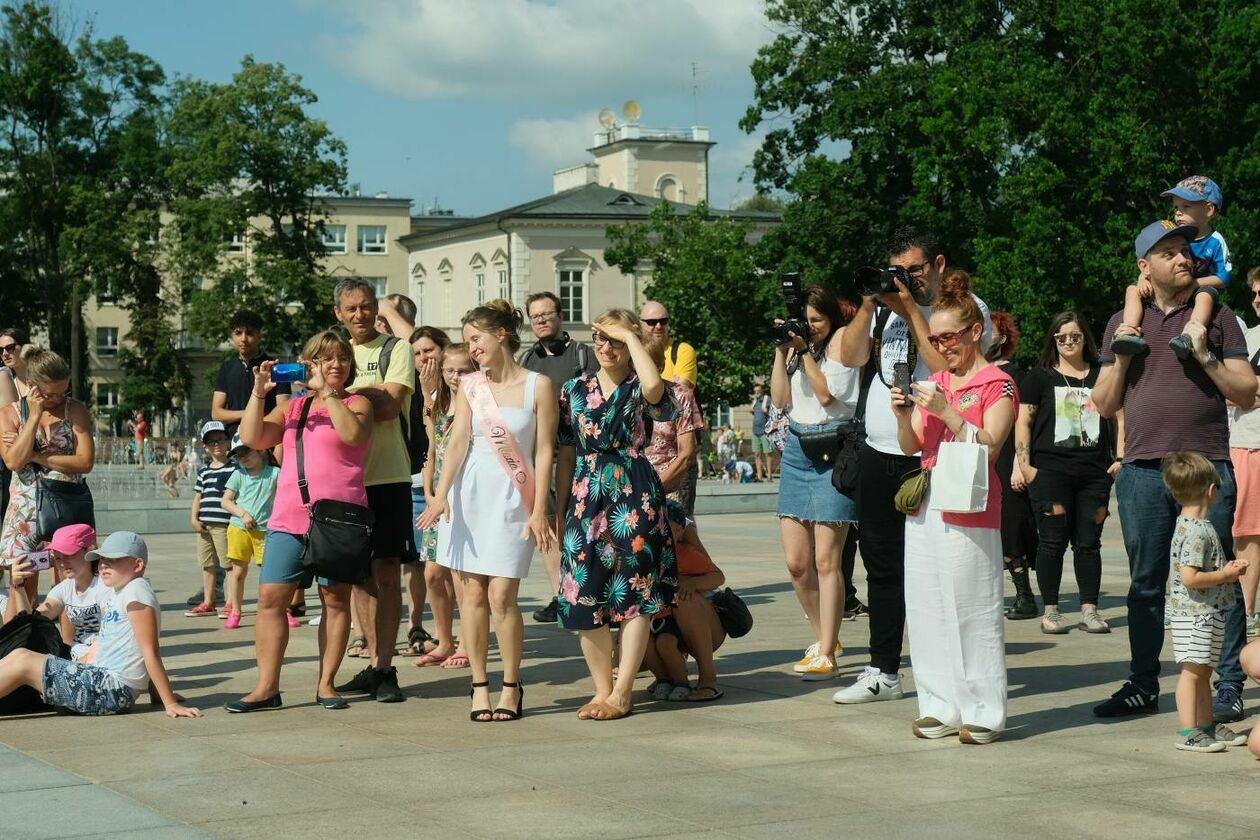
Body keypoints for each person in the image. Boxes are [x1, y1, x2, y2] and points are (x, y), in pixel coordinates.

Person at [1090, 220, 1255, 720]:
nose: (1182, 259)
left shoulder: (1218, 317)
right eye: (1169, 253)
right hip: (1142, 469)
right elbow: (1102, 403)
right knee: (1144, 582)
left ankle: (1228, 686)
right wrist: (1121, 357)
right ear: (1145, 267)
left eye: (1185, 251)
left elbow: (1246, 391)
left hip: (1207, 469)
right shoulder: (1124, 319)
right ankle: (1143, 683)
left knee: (1219, 577)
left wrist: (1203, 355)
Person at [833, 225, 993, 706]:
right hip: (881, 450)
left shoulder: (965, 312)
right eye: (896, 271)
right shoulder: (886, 313)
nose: (906, 281)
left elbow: (943, 367)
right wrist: (869, 302)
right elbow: (849, 355)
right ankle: (883, 669)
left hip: (934, 458)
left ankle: (949, 672)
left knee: (941, 570)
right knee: (881, 569)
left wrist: (910, 310)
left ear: (938, 264)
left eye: (914, 270)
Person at [891, 269, 1016, 744]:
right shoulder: (937, 381)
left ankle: (984, 710)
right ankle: (939, 705)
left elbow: (990, 448)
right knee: (926, 608)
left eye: (949, 336)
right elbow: (911, 446)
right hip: (927, 504)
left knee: (974, 608)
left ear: (975, 331)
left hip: (971, 506)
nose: (942, 346)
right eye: (936, 337)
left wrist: (947, 410)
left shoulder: (998, 383)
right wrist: (903, 414)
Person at [419, 300, 556, 721]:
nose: (471, 348)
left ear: (501, 335)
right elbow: (457, 441)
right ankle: (479, 685)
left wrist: (539, 508)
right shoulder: (471, 386)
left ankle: (511, 686)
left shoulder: (539, 385)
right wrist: (441, 494)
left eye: (475, 339)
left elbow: (546, 449)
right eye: (466, 342)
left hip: (514, 500)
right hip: (469, 498)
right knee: (473, 595)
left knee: (502, 596)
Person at [225, 330, 373, 713]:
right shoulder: (292, 407)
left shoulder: (358, 402)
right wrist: (259, 392)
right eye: (324, 359)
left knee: (335, 601)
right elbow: (253, 437)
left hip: (339, 519)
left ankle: (326, 684)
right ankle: (266, 687)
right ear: (309, 365)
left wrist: (327, 393)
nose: (334, 365)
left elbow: (353, 435)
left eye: (340, 358)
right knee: (271, 599)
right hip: (290, 516)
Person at [555, 308, 676, 721]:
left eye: (615, 340)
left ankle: (623, 692)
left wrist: (631, 335)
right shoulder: (573, 388)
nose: (606, 347)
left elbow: (657, 388)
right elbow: (566, 452)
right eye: (600, 338)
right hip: (585, 493)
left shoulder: (641, 386)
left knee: (638, 591)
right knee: (582, 591)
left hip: (633, 492)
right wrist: (558, 509)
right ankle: (602, 690)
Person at [0, 531, 201, 718]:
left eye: (113, 560)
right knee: (20, 656)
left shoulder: (137, 591)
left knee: (23, 662)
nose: (103, 565)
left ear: (137, 565)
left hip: (112, 690)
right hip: (99, 680)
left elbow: (150, 650)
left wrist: (169, 702)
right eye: (103, 559)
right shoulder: (120, 592)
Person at [769, 284, 859, 682]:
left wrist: (804, 350)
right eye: (804, 322)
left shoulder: (843, 345)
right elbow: (778, 400)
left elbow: (825, 396)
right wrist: (780, 350)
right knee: (796, 563)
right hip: (797, 450)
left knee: (827, 560)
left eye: (816, 321)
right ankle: (823, 637)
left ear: (832, 318)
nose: (810, 328)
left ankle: (827, 651)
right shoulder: (795, 351)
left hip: (834, 449)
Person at [332, 278, 415, 704]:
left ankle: (386, 667)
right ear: (339, 314)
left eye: (366, 306)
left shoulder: (394, 348)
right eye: (352, 309)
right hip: (343, 481)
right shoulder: (332, 351)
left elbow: (389, 407)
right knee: (358, 578)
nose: (360, 315)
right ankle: (371, 659)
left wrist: (341, 394)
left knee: (386, 574)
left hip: (387, 476)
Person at [1013, 312, 1118, 634]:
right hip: (1049, 472)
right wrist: (1024, 465)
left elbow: (1119, 416)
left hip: (1094, 473)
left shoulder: (1102, 374)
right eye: (1062, 337)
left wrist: (1121, 458)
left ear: (1085, 338)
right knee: (1052, 542)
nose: (1069, 342)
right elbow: (1023, 422)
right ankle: (1051, 610)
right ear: (1053, 341)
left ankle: (1090, 609)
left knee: (1089, 543)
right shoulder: (1039, 377)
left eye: (1075, 336)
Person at [1161, 453, 1250, 752]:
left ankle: (1205, 725)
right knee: (1192, 672)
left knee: (1202, 671)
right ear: (1211, 491)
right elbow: (1190, 577)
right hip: (1195, 614)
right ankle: (1190, 730)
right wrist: (1226, 574)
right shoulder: (1197, 531)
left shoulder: (1192, 525)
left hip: (1205, 612)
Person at [518, 291, 597, 624]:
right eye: (535, 316)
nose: (540, 321)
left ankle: (588, 589)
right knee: (548, 526)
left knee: (584, 524)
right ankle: (559, 594)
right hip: (540, 456)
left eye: (546, 314)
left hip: (579, 455)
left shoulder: (582, 355)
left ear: (560, 316)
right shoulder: (525, 361)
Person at [0, 348, 94, 606]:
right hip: (25, 516)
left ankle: (67, 645)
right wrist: (33, 416)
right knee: (22, 585)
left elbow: (85, 462)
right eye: (51, 393)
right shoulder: (8, 414)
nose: (58, 398)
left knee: (68, 585)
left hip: (64, 508)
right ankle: (23, 642)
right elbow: (13, 461)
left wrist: (37, 456)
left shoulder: (74, 410)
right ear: (32, 386)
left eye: (63, 391)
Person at [377, 294, 443, 657]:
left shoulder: (428, 358)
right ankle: (385, 630)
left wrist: (386, 308)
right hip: (398, 474)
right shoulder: (383, 358)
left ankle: (426, 627)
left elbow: (413, 338)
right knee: (394, 564)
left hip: (427, 478)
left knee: (426, 566)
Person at [1114, 176, 1231, 360]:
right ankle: (1128, 333)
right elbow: (1153, 262)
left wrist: (1194, 284)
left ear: (1208, 210)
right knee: (1132, 290)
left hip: (1202, 287)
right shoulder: (1175, 235)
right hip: (1173, 287)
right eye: (1176, 207)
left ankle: (1189, 337)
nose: (1178, 213)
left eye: (1186, 207)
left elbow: (1224, 278)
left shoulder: (1216, 241)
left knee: (1205, 297)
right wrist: (1142, 278)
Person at [412, 343, 473, 669]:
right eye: (450, 370)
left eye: (463, 371)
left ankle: (466, 642)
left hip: (464, 496)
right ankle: (444, 639)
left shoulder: (477, 402)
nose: (455, 376)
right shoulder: (439, 403)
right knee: (433, 572)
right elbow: (430, 449)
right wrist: (429, 491)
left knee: (462, 576)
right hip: (438, 497)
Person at [984, 311, 1040, 621]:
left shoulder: (1018, 376)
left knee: (1012, 529)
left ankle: (1025, 596)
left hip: (1007, 461)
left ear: (1002, 338)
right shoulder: (972, 374)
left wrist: (1021, 465)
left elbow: (1023, 423)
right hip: (982, 459)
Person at [644, 501, 727, 702]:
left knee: (685, 599)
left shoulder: (685, 554)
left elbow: (718, 577)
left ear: (679, 531)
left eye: (666, 530)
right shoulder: (645, 555)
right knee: (633, 625)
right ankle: (667, 678)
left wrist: (693, 583)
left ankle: (708, 679)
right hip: (663, 625)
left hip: (700, 626)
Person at [8, 524, 105, 659]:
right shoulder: (65, 588)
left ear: (89, 551)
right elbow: (30, 623)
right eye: (58, 558)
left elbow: (114, 637)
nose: (62, 563)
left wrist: (82, 663)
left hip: (100, 659)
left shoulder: (105, 585)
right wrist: (19, 586)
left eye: (68, 555)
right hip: (74, 659)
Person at [642, 300, 700, 514]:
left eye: (663, 321)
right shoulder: (636, 351)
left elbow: (677, 387)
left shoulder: (681, 350)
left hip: (676, 458)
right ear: (640, 324)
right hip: (643, 473)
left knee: (683, 527)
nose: (658, 326)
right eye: (651, 322)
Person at [219, 435, 280, 630]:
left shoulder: (275, 473)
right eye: (238, 455)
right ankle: (236, 611)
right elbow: (225, 501)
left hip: (265, 529)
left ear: (261, 450)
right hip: (239, 527)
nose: (242, 458)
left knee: (272, 575)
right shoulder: (239, 474)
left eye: (246, 452)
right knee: (238, 572)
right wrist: (242, 513)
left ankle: (280, 610)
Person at [1230, 267, 1260, 641]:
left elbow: (1242, 389)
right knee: (1246, 532)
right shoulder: (1247, 338)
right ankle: (1246, 610)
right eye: (1254, 292)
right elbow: (1225, 388)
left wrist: (1246, 390)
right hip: (1246, 443)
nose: (1257, 298)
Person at [211, 310, 292, 438]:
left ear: (260, 335)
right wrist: (250, 414)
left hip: (267, 441)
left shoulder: (278, 368)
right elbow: (216, 413)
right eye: (238, 333)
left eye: (249, 333)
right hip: (235, 444)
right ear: (231, 336)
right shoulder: (226, 368)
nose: (243, 339)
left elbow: (284, 412)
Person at [184, 422, 234, 618]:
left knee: (228, 564)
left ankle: (230, 602)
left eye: (220, 440)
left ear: (227, 442)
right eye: (211, 441)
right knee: (207, 564)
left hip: (224, 524)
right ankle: (208, 601)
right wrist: (193, 518)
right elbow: (198, 496)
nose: (216, 445)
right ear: (205, 446)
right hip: (204, 524)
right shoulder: (204, 471)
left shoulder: (234, 468)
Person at [0, 327, 30, 524]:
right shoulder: (4, 378)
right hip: (12, 457)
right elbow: (8, 425)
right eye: (1, 350)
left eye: (10, 347)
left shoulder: (41, 379)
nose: (5, 353)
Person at [750, 383, 773, 481]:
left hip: (765, 431)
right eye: (755, 391)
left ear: (762, 391)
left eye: (758, 391)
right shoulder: (755, 401)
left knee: (767, 453)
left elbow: (773, 412)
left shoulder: (767, 399)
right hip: (755, 431)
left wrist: (766, 412)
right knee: (757, 454)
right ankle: (759, 476)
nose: (757, 393)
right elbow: (753, 411)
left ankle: (769, 475)